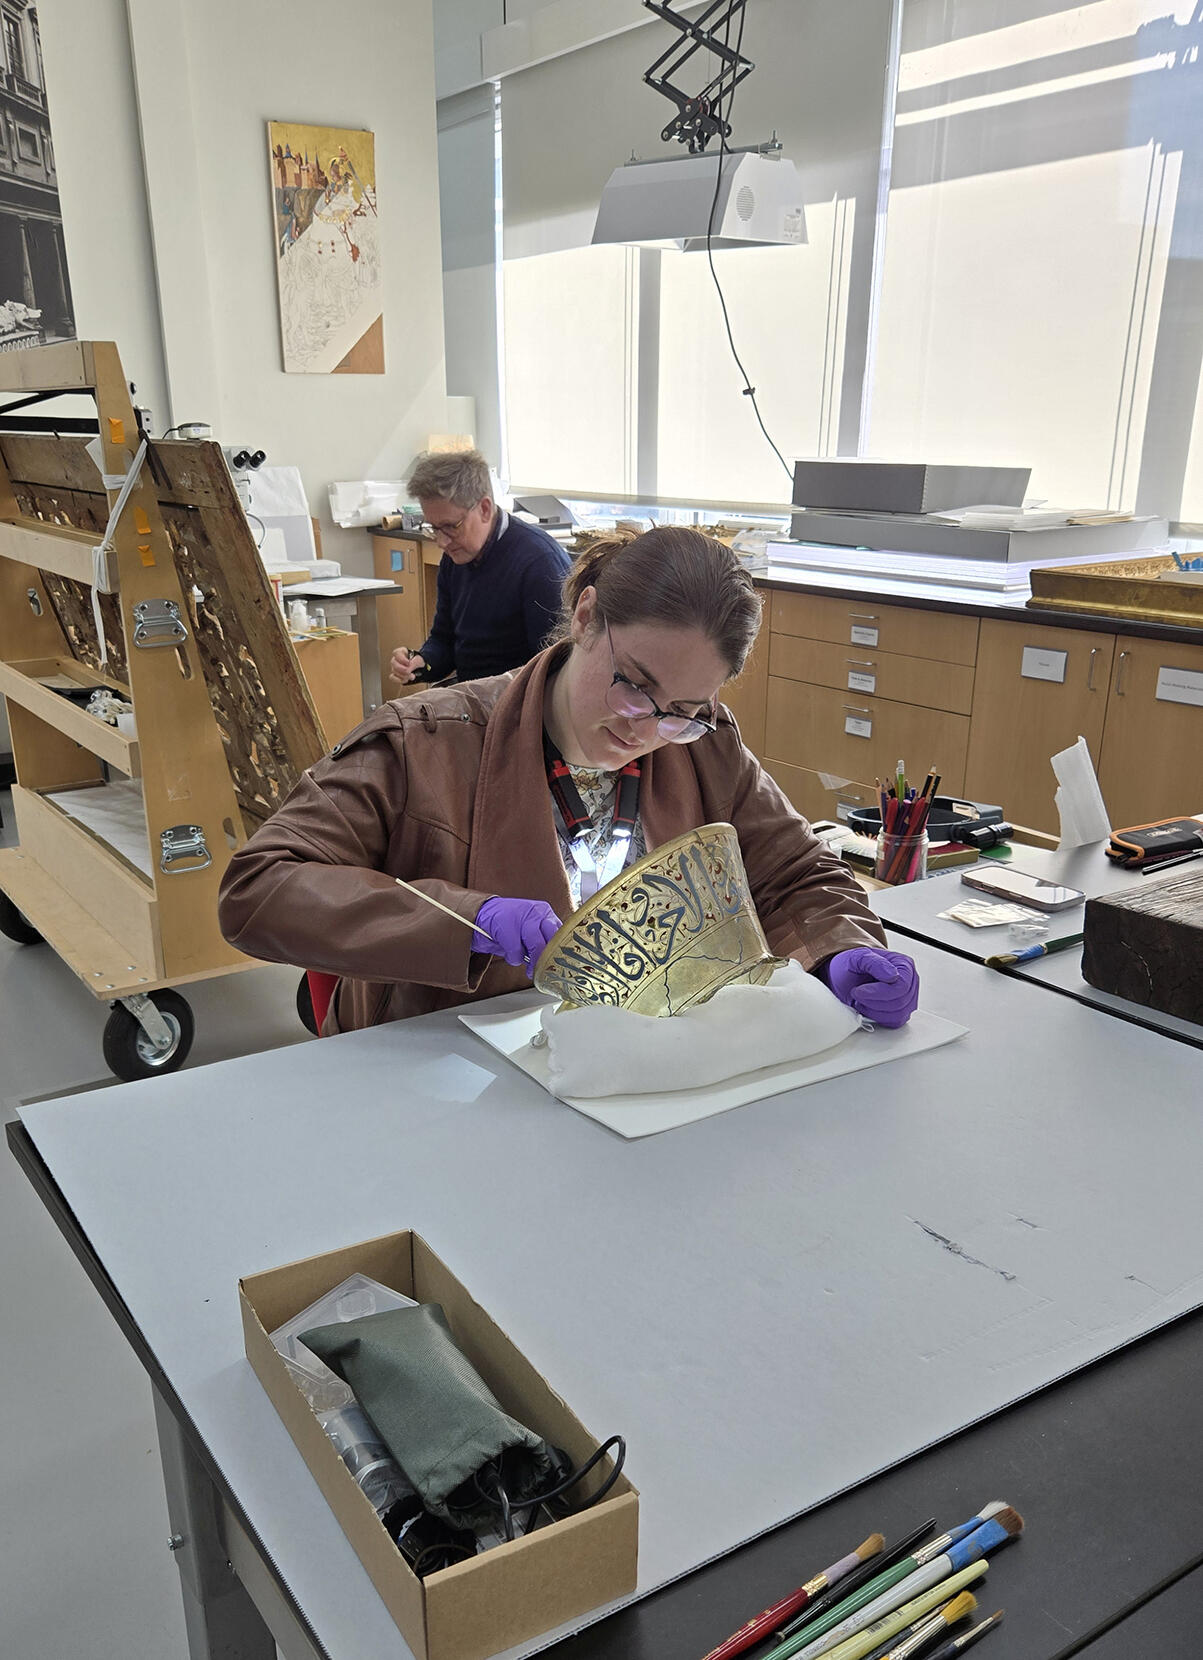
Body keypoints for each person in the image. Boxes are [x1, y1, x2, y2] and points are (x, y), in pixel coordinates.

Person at [219, 527, 919, 1035]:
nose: (645, 728)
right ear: (585, 617)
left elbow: (796, 875)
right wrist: (466, 919)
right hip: (452, 1071)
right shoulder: (422, 742)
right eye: (633, 685)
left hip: (638, 1060)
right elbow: (259, 890)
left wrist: (843, 946)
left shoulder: (704, 748)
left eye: (682, 710)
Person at [389, 449, 570, 686]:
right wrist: (422, 662)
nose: (442, 542)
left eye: (450, 526)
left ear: (484, 508)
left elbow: (556, 669)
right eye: (433, 528)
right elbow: (444, 640)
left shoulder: (539, 562)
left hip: (518, 703)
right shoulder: (456, 557)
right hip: (474, 696)